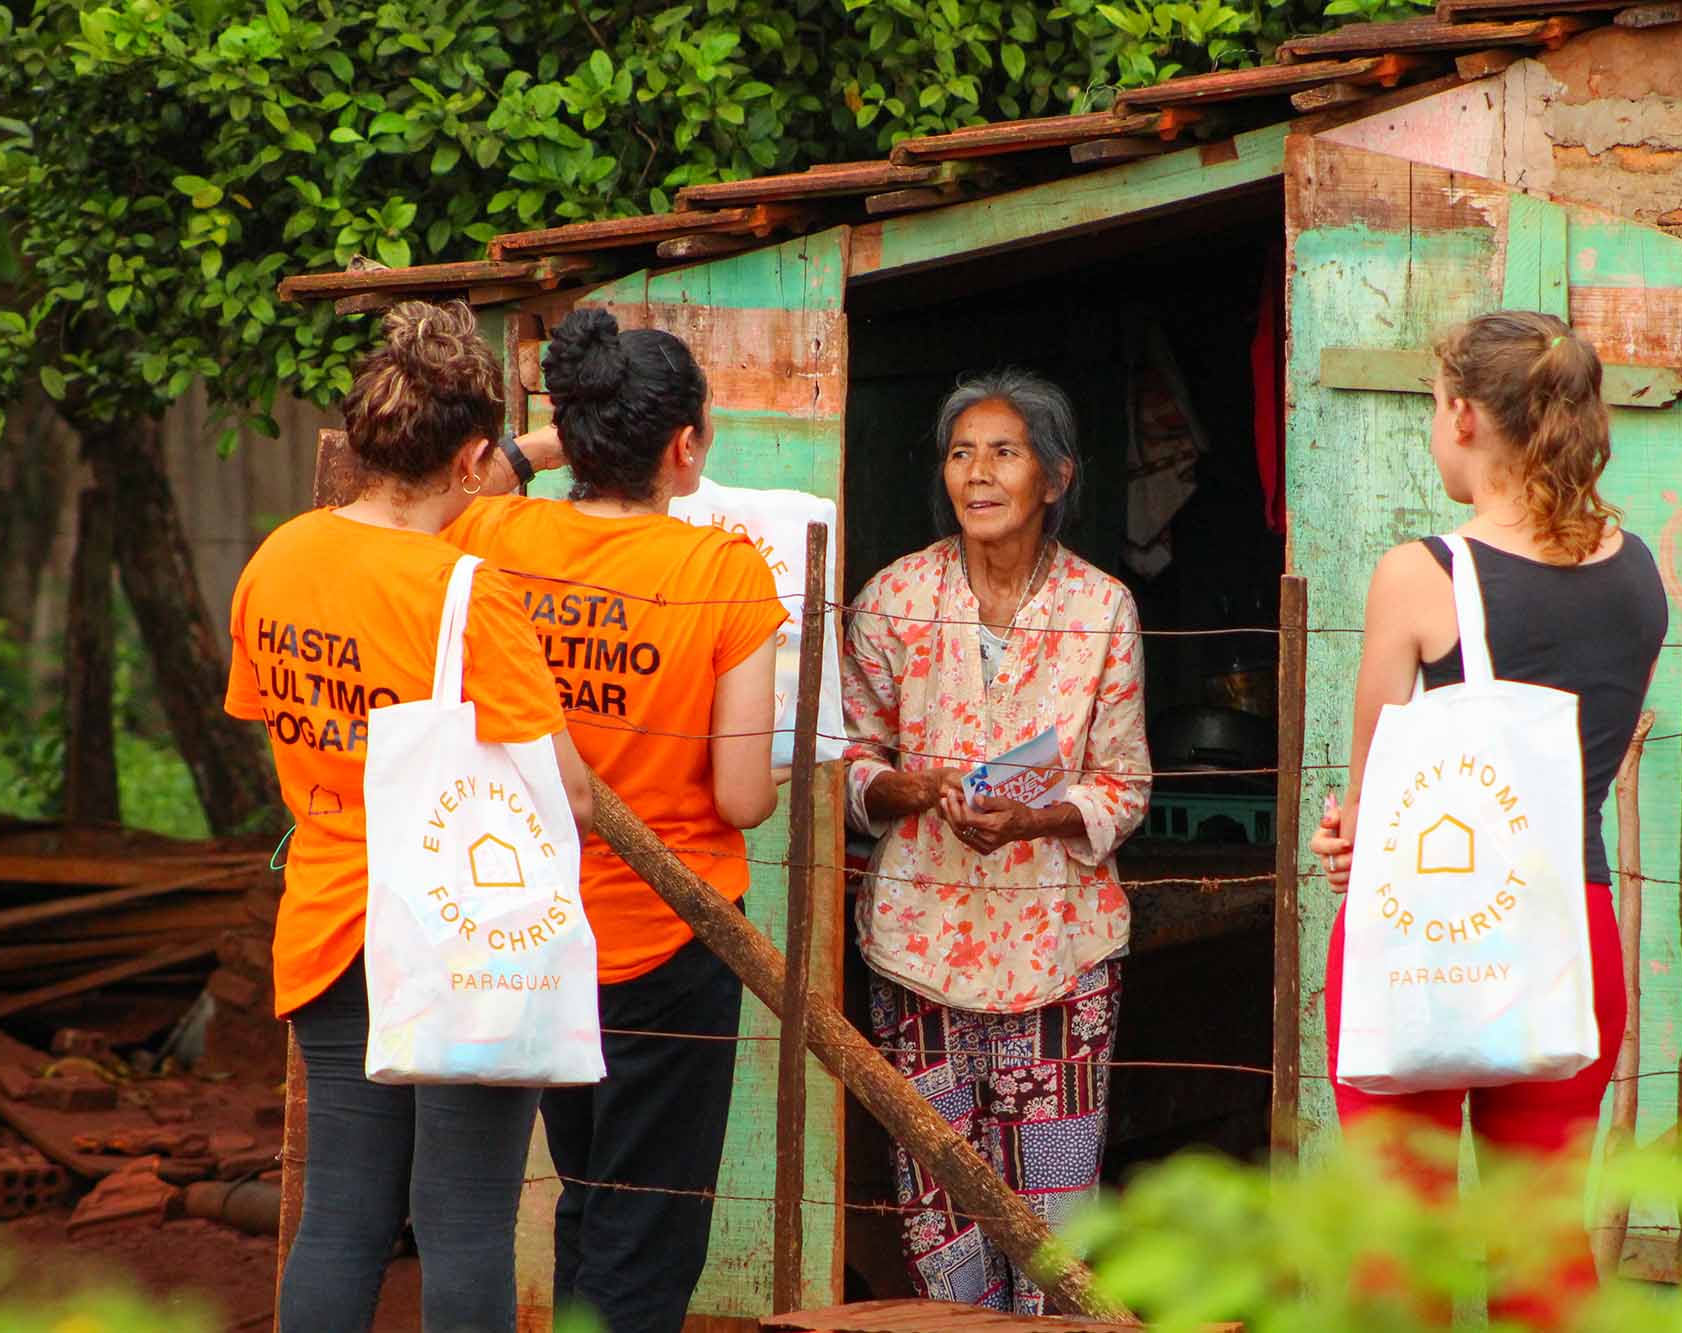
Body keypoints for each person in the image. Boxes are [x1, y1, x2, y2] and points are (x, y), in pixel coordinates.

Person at [225, 300, 596, 1333]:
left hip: (327, 920)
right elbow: (565, 790)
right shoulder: (470, 594)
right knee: (464, 1220)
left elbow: (268, 716)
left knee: (342, 1216)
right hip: (453, 937)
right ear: (470, 458)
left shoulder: (280, 556)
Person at [1310, 310, 1668, 1327]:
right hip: (1567, 929)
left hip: (1426, 931)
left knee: (1401, 1243)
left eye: (1434, 407)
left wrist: (1342, 836)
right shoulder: (1637, 572)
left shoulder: (1420, 574)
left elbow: (1374, 801)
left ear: (1464, 416)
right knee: (1540, 1248)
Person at [438, 307, 784, 1333]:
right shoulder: (722, 572)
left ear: (576, 433)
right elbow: (742, 798)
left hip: (534, 926)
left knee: (585, 1190)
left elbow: (459, 491)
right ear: (685, 447)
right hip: (672, 933)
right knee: (648, 1222)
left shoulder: (493, 537)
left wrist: (548, 444)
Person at [842, 368, 1151, 1315]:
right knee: (939, 1211)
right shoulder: (894, 597)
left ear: (1055, 478)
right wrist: (915, 787)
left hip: (1061, 952)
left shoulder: (1101, 607)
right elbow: (847, 759)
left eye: (1004, 452)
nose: (977, 473)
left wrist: (1034, 816)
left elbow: (1125, 784)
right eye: (961, 453)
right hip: (918, 950)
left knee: (1051, 1219)